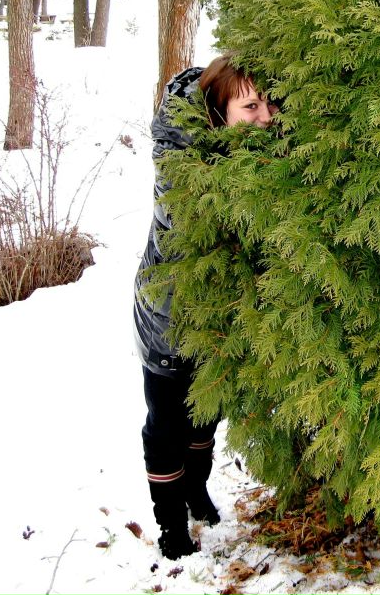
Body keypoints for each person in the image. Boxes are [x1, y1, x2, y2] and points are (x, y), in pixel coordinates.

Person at [133, 55, 276, 559]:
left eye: (268, 104)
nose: (265, 117)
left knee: (204, 419)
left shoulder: (257, 149)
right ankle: (171, 525)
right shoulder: (179, 157)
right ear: (218, 114)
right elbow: (188, 215)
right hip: (170, 318)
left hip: (218, 320)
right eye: (250, 106)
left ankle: (196, 490)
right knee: (167, 427)